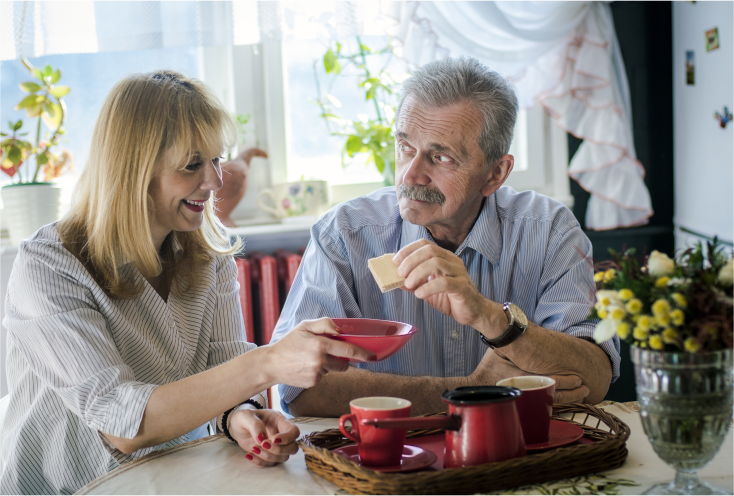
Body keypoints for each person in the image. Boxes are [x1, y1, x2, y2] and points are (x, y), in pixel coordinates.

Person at [0, 71, 374, 496]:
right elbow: (123, 423)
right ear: (132, 170)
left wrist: (240, 416)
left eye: (217, 159)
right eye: (192, 165)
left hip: (172, 478)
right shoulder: (49, 265)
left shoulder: (207, 256)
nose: (215, 181)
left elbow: (224, 369)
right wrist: (268, 364)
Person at [270, 57, 620, 417]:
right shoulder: (345, 234)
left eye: (441, 157)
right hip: (390, 464)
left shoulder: (548, 229)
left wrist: (491, 317)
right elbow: (297, 386)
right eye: (405, 147)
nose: (411, 175)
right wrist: (472, 392)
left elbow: (595, 377)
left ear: (495, 173)